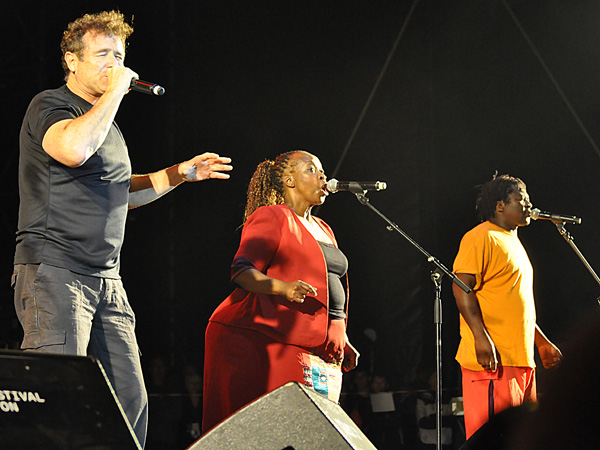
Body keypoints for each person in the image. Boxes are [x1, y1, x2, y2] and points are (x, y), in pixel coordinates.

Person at [12, 10, 232, 448]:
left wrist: (179, 174)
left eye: (119, 55)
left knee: (127, 399)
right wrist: (115, 92)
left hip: (106, 280)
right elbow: (72, 150)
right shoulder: (51, 106)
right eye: (103, 54)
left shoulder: (106, 125)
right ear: (72, 61)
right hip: (56, 273)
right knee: (59, 397)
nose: (114, 64)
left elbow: (120, 192)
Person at [202, 150, 359, 433]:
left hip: (321, 348)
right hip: (280, 341)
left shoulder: (323, 228)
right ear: (289, 180)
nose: (322, 177)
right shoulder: (272, 216)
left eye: (322, 171)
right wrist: (283, 288)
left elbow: (331, 285)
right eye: (311, 170)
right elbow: (242, 270)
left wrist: (340, 335)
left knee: (317, 433)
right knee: (291, 430)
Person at [451, 173, 562, 439]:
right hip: (493, 362)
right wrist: (480, 337)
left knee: (522, 440)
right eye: (521, 199)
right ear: (500, 205)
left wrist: (541, 342)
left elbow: (514, 304)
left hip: (521, 361)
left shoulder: (513, 241)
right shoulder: (482, 237)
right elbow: (461, 286)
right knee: (493, 442)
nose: (528, 204)